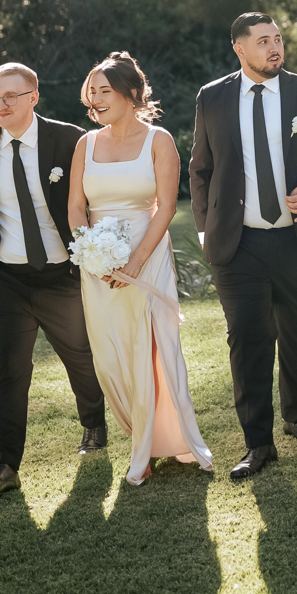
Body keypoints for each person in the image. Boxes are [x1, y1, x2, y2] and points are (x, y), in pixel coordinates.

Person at [189, 13, 297, 480]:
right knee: (246, 339)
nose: (275, 48)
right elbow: (200, 169)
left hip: (296, 237)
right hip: (238, 242)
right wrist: (205, 230)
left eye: (277, 39)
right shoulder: (212, 96)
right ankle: (258, 443)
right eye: (262, 42)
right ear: (239, 48)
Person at [0, 62, 109, 498]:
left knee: (79, 356)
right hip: (4, 276)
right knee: (8, 368)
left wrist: (90, 254)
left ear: (33, 97)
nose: (1, 105)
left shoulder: (68, 139)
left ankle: (94, 423)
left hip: (61, 272)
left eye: (11, 96)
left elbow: (91, 200)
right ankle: (5, 465)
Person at [67, 52, 213, 484]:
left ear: (132, 94)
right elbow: (75, 207)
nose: (95, 99)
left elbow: (166, 208)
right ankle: (142, 433)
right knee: (110, 358)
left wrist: (134, 262)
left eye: (104, 91)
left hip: (147, 256)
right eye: (91, 92)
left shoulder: (158, 141)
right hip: (99, 265)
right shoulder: (85, 144)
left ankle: (144, 451)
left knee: (149, 350)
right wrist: (91, 252)